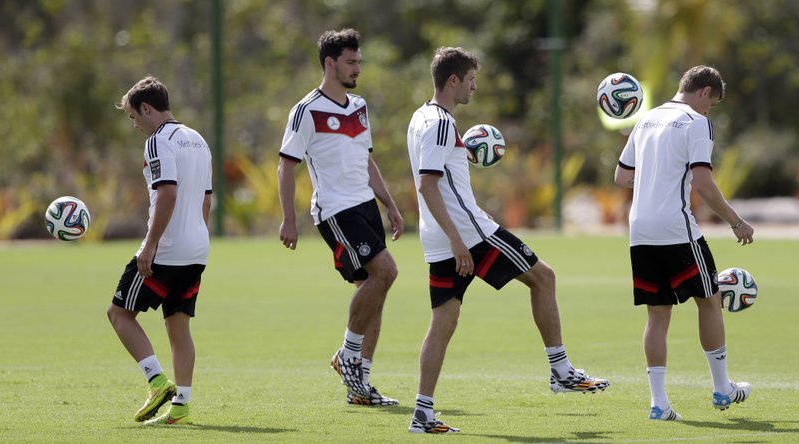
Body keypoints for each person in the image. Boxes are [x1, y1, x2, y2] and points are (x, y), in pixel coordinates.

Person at [405, 47, 609, 434]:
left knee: (443, 321)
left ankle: (422, 414)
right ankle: (561, 370)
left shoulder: (419, 118)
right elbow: (428, 184)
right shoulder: (442, 124)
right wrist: (459, 240)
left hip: (443, 234)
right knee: (543, 277)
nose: (474, 87)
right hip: (466, 235)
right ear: (453, 81)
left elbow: (442, 183)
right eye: (470, 80)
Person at [614, 65, 754, 421]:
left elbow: (621, 176)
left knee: (657, 315)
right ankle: (723, 387)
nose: (710, 111)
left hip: (639, 230)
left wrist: (655, 177)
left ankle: (659, 404)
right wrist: (736, 222)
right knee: (710, 301)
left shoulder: (645, 120)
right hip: (676, 228)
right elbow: (703, 184)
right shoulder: (695, 121)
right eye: (712, 104)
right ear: (705, 92)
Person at [278, 28, 403, 407]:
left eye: (359, 62)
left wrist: (389, 204)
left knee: (375, 291)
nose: (357, 68)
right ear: (330, 63)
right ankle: (348, 355)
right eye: (351, 62)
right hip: (335, 210)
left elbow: (366, 159)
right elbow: (286, 166)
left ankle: (360, 386)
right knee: (386, 272)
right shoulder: (306, 109)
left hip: (364, 205)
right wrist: (288, 219)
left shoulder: (359, 106)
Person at [108, 76, 213, 425]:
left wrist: (151, 246)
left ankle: (157, 382)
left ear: (147, 108)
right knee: (177, 326)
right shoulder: (198, 140)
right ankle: (182, 405)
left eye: (133, 116)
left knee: (119, 314)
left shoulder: (158, 141)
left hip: (167, 248)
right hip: (197, 248)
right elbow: (206, 199)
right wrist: (195, 235)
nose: (134, 124)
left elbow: (168, 194)